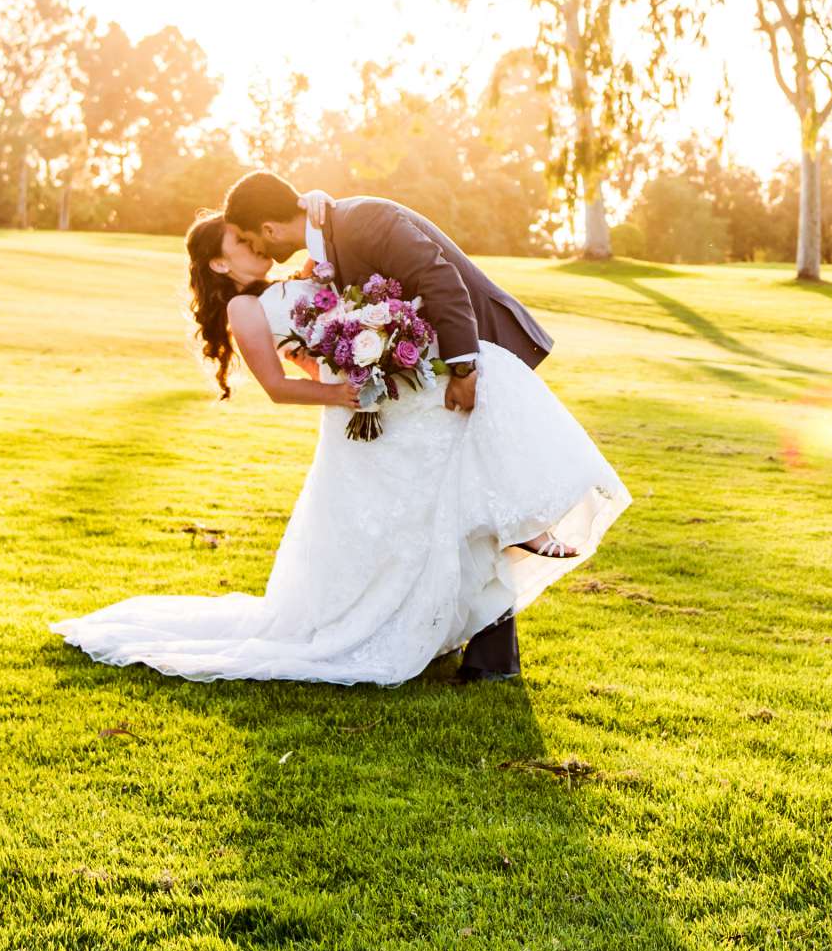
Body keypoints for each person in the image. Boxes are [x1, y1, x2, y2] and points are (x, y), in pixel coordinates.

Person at [51, 195, 626, 685]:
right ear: (220, 264)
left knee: (442, 493)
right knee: (415, 508)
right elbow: (280, 385)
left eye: (249, 236)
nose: (252, 247)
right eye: (237, 244)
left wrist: (358, 346)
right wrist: (345, 388)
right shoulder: (245, 308)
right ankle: (515, 539)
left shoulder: (305, 272)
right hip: (362, 411)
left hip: (400, 398)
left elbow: (325, 341)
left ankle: (521, 532)